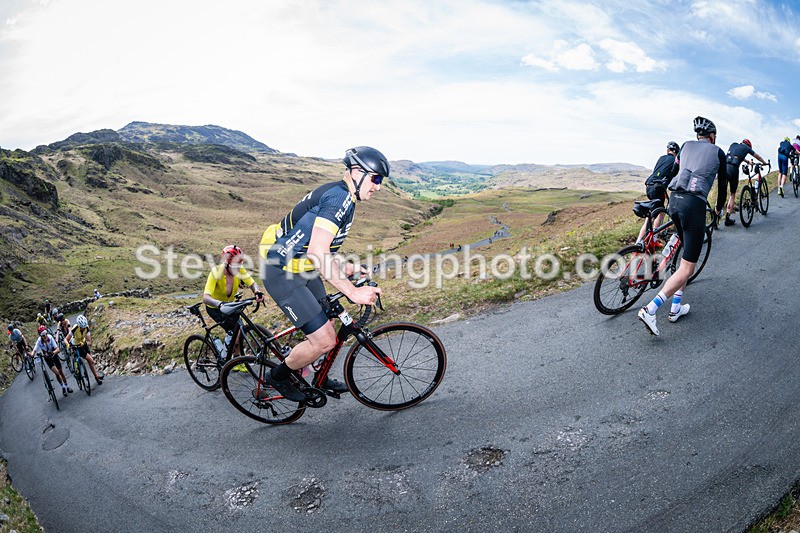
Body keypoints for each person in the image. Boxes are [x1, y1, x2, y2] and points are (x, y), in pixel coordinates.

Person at [258, 146, 387, 400]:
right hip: (281, 271)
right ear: (357, 172)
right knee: (324, 341)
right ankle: (277, 377)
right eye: (376, 179)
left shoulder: (342, 195)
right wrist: (354, 292)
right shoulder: (339, 198)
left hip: (301, 266)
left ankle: (319, 375)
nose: (378, 187)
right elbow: (318, 252)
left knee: (328, 321)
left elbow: (315, 244)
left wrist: (344, 267)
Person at [638, 116, 727, 336]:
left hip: (675, 200)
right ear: (712, 137)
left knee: (683, 252)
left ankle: (676, 308)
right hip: (693, 205)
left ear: (698, 136)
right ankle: (651, 309)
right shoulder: (717, 152)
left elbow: (674, 171)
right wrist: (719, 208)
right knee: (688, 266)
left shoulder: (685, 146)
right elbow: (724, 184)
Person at [202, 245, 264, 357]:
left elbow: (252, 283)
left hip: (230, 306)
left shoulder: (239, 269)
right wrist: (219, 304)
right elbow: (205, 297)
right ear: (226, 264)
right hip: (215, 308)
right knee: (235, 333)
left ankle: (235, 358)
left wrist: (257, 291)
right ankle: (226, 357)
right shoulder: (216, 272)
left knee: (238, 332)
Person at [636, 141, 680, 243]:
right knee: (657, 213)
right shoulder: (675, 161)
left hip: (649, 185)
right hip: (658, 187)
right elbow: (676, 175)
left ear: (668, 150)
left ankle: (647, 240)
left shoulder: (661, 158)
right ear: (677, 153)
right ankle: (646, 241)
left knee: (655, 211)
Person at [722, 139, 766, 226]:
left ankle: (715, 217)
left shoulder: (733, 144)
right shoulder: (747, 148)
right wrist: (763, 162)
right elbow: (757, 156)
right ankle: (727, 218)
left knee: (722, 192)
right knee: (732, 194)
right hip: (733, 169)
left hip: (724, 168)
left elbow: (737, 155)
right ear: (748, 145)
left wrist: (747, 161)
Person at [64, 315, 104, 386]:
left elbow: (89, 341)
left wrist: (83, 343)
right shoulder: (75, 328)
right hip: (75, 345)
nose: (83, 329)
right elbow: (65, 339)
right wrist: (68, 345)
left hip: (83, 344)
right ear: (79, 326)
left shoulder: (86, 328)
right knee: (90, 359)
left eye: (84, 327)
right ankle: (77, 371)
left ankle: (96, 377)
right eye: (82, 328)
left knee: (91, 361)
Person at [32, 325, 72, 396]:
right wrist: (32, 355)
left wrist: (53, 352)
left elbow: (57, 349)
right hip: (47, 358)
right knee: (57, 373)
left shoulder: (50, 337)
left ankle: (67, 386)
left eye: (46, 334)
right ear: (40, 336)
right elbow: (34, 350)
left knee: (61, 372)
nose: (45, 336)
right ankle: (63, 387)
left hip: (53, 354)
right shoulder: (39, 341)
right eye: (43, 335)